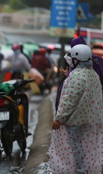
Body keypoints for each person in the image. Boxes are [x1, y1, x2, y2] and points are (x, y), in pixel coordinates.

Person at [49, 44, 103, 173]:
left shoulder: (77, 75)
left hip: (76, 120)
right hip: (91, 119)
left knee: (77, 149)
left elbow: (69, 100)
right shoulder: (92, 74)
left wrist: (59, 118)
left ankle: (80, 171)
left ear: (76, 59)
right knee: (86, 148)